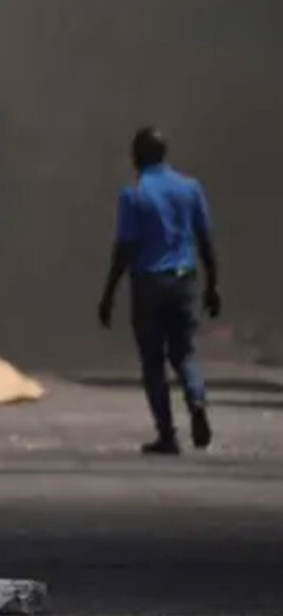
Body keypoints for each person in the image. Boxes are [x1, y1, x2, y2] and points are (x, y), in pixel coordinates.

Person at [98, 126, 220, 455]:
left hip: (148, 283)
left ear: (138, 155)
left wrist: (109, 292)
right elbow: (205, 240)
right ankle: (196, 400)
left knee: (153, 361)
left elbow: (124, 247)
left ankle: (167, 434)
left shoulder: (134, 194)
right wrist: (213, 285)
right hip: (184, 279)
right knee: (185, 351)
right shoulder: (190, 188)